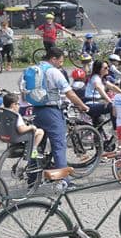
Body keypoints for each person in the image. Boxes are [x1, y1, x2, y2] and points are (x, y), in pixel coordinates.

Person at [28, 47, 91, 175]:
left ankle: (32, 177)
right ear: (53, 59)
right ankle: (63, 180)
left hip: (35, 110)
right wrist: (82, 105)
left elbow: (23, 86)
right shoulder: (53, 72)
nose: (61, 64)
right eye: (61, 61)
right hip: (51, 112)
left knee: (38, 145)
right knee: (59, 146)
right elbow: (69, 93)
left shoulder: (33, 69)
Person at [1, 92, 44, 160]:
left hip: (5, 136)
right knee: (40, 132)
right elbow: (21, 129)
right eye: (18, 104)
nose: (19, 106)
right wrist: (31, 127)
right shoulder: (16, 115)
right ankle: (33, 150)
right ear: (13, 105)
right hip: (17, 136)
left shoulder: (1, 114)